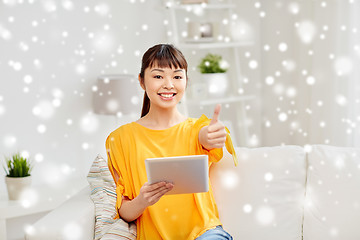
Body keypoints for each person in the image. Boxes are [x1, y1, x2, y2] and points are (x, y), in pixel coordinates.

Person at [106, 44, 237, 240]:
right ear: (141, 81)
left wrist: (211, 136)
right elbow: (124, 210)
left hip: (205, 233)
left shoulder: (197, 128)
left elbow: (206, 136)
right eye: (158, 76)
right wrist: (142, 200)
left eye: (177, 76)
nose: (169, 84)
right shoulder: (120, 139)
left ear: (186, 81)